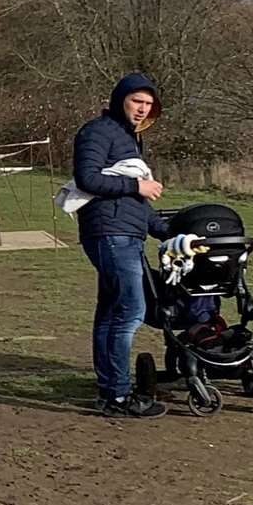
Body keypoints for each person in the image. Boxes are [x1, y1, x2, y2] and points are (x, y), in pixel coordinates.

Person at [73, 73, 170, 419]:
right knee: (130, 312)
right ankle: (117, 395)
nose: (143, 110)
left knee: (111, 312)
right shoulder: (98, 132)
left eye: (148, 104)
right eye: (136, 102)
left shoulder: (128, 138)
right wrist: (136, 186)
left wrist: (164, 230)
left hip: (123, 232)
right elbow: (88, 178)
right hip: (109, 233)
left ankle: (108, 389)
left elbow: (136, 202)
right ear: (120, 100)